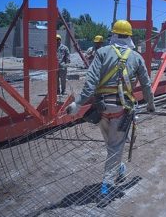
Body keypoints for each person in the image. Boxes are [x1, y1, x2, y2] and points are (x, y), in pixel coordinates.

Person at [66, 20, 155, 207]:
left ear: (113, 35)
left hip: (102, 109)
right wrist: (150, 105)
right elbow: (146, 85)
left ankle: (119, 168)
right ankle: (105, 189)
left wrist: (78, 103)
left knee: (112, 145)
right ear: (129, 36)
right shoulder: (137, 57)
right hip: (122, 110)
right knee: (115, 146)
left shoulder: (101, 53)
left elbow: (90, 82)